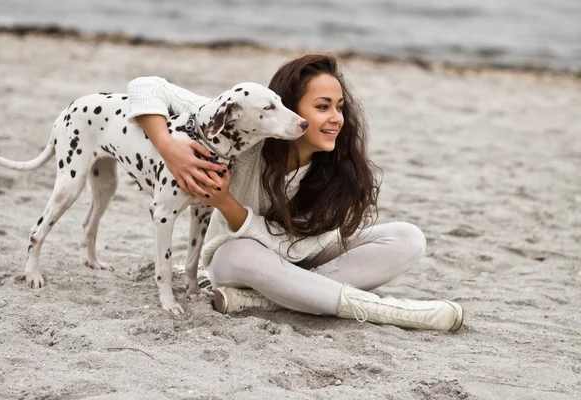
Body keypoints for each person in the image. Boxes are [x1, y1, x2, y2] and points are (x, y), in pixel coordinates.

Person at [127, 54, 463, 331]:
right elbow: (147, 86)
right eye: (322, 107)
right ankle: (396, 313)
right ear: (286, 107)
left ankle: (271, 299)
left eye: (339, 106)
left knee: (408, 237)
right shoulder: (244, 130)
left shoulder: (338, 168)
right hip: (236, 263)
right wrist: (168, 147)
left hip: (298, 255)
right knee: (241, 252)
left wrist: (226, 203)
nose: (336, 118)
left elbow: (295, 249)